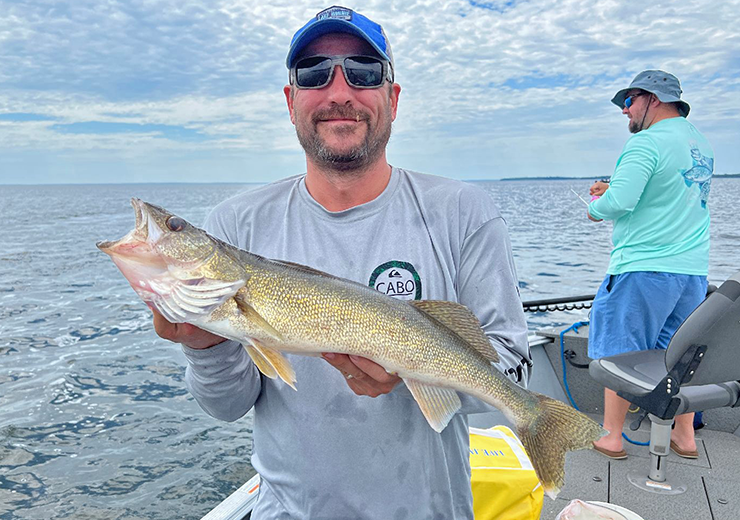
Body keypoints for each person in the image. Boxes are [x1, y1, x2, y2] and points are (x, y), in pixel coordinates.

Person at [150, 6, 531, 518]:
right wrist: (205, 341)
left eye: (364, 72)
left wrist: (418, 371)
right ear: (291, 101)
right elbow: (226, 406)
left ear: (392, 98)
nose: (339, 93)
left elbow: (515, 369)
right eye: (313, 74)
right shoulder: (234, 224)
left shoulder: (464, 212)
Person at [587, 70, 714, 460]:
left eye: (629, 101)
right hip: (692, 273)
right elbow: (665, 195)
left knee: (618, 353)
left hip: (643, 269)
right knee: (679, 357)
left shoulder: (646, 142)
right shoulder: (700, 144)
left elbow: (620, 203)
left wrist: (596, 207)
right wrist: (616, 189)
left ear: (651, 99)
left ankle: (612, 437)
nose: (625, 111)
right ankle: (685, 437)